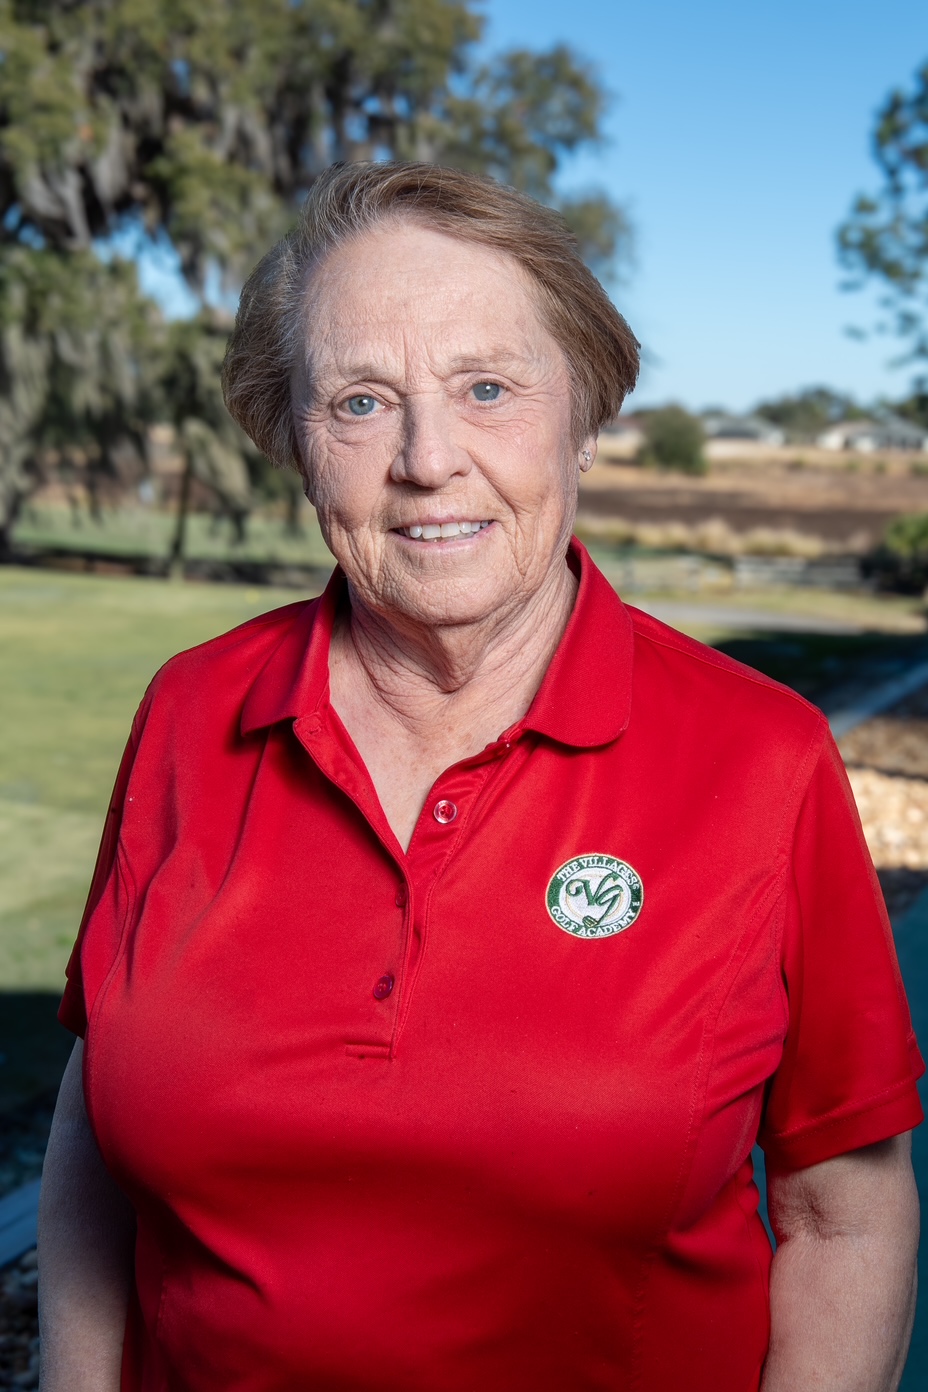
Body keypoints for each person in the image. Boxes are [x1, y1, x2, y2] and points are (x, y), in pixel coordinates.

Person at [38, 162, 922, 1392]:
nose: (426, 459)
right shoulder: (191, 712)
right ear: (294, 441)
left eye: (487, 389)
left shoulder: (761, 757)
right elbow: (98, 1122)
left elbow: (844, 1222)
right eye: (359, 402)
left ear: (586, 418)